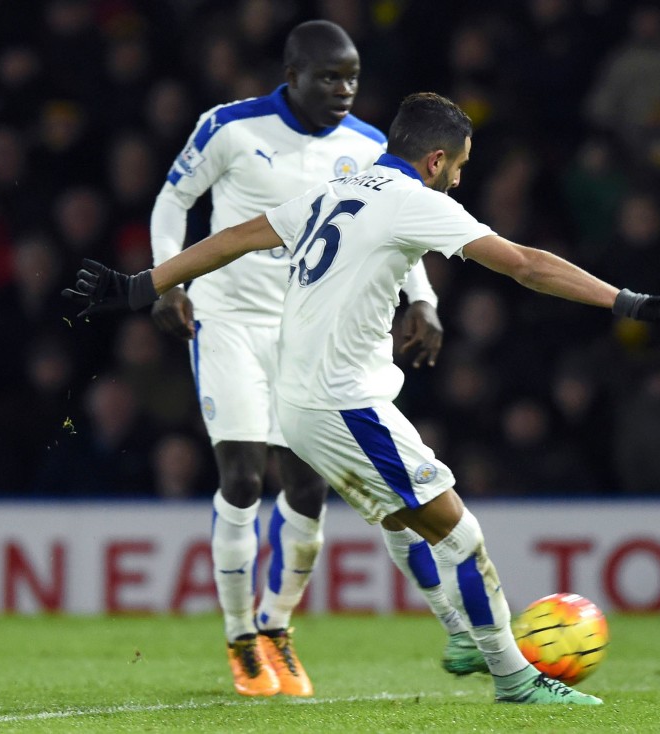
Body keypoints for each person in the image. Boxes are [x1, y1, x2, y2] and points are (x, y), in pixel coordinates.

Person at [64, 92, 660, 705]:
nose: (458, 181)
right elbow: (526, 264)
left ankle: (459, 635)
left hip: (304, 403)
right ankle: (514, 677)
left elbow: (238, 235)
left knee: (401, 518)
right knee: (462, 536)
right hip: (344, 405)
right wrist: (628, 302)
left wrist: (142, 285)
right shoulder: (412, 201)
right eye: (460, 167)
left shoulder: (338, 189)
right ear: (435, 160)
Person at [146, 21, 476, 697]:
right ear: (291, 73)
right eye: (329, 77)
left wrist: (423, 299)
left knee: (306, 487)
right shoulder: (230, 127)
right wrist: (168, 278)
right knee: (241, 478)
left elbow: (401, 220)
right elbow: (174, 199)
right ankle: (241, 638)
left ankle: (276, 627)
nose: (345, 90)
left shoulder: (367, 147)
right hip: (231, 320)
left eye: (352, 77)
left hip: (308, 333)